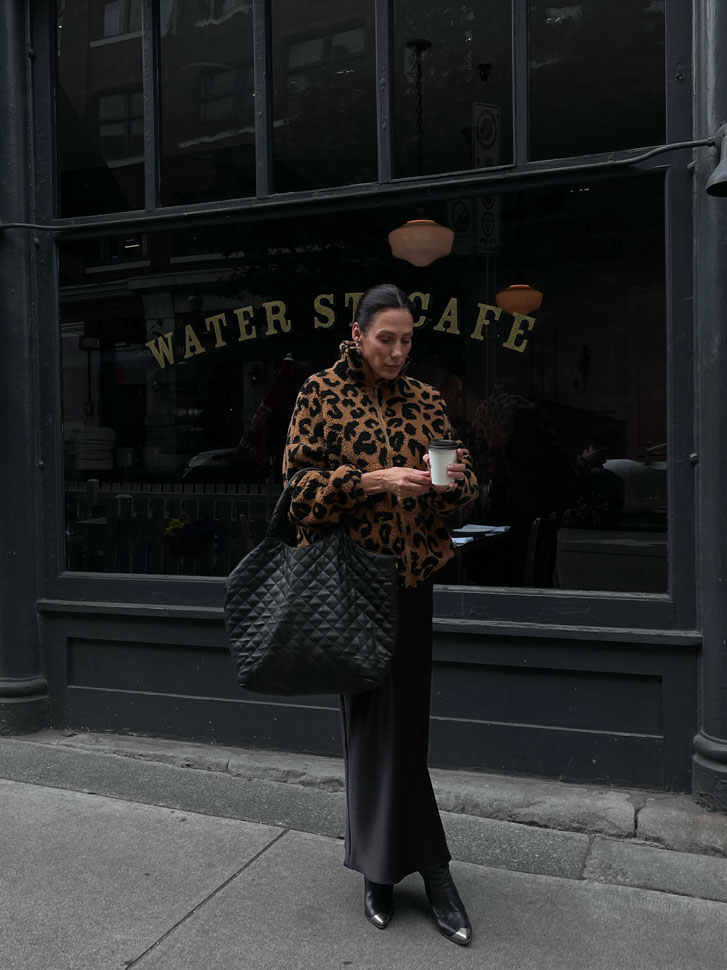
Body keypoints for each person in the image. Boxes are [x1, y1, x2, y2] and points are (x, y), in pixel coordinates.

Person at [283, 284, 478, 945]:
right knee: (372, 728)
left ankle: (378, 868)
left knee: (404, 730)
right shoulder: (321, 394)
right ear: (358, 333)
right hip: (350, 584)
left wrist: (448, 482)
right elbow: (297, 494)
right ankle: (432, 869)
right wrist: (376, 480)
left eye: (407, 340)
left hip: (412, 580)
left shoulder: (426, 399)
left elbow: (461, 491)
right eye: (385, 338)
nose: (397, 351)